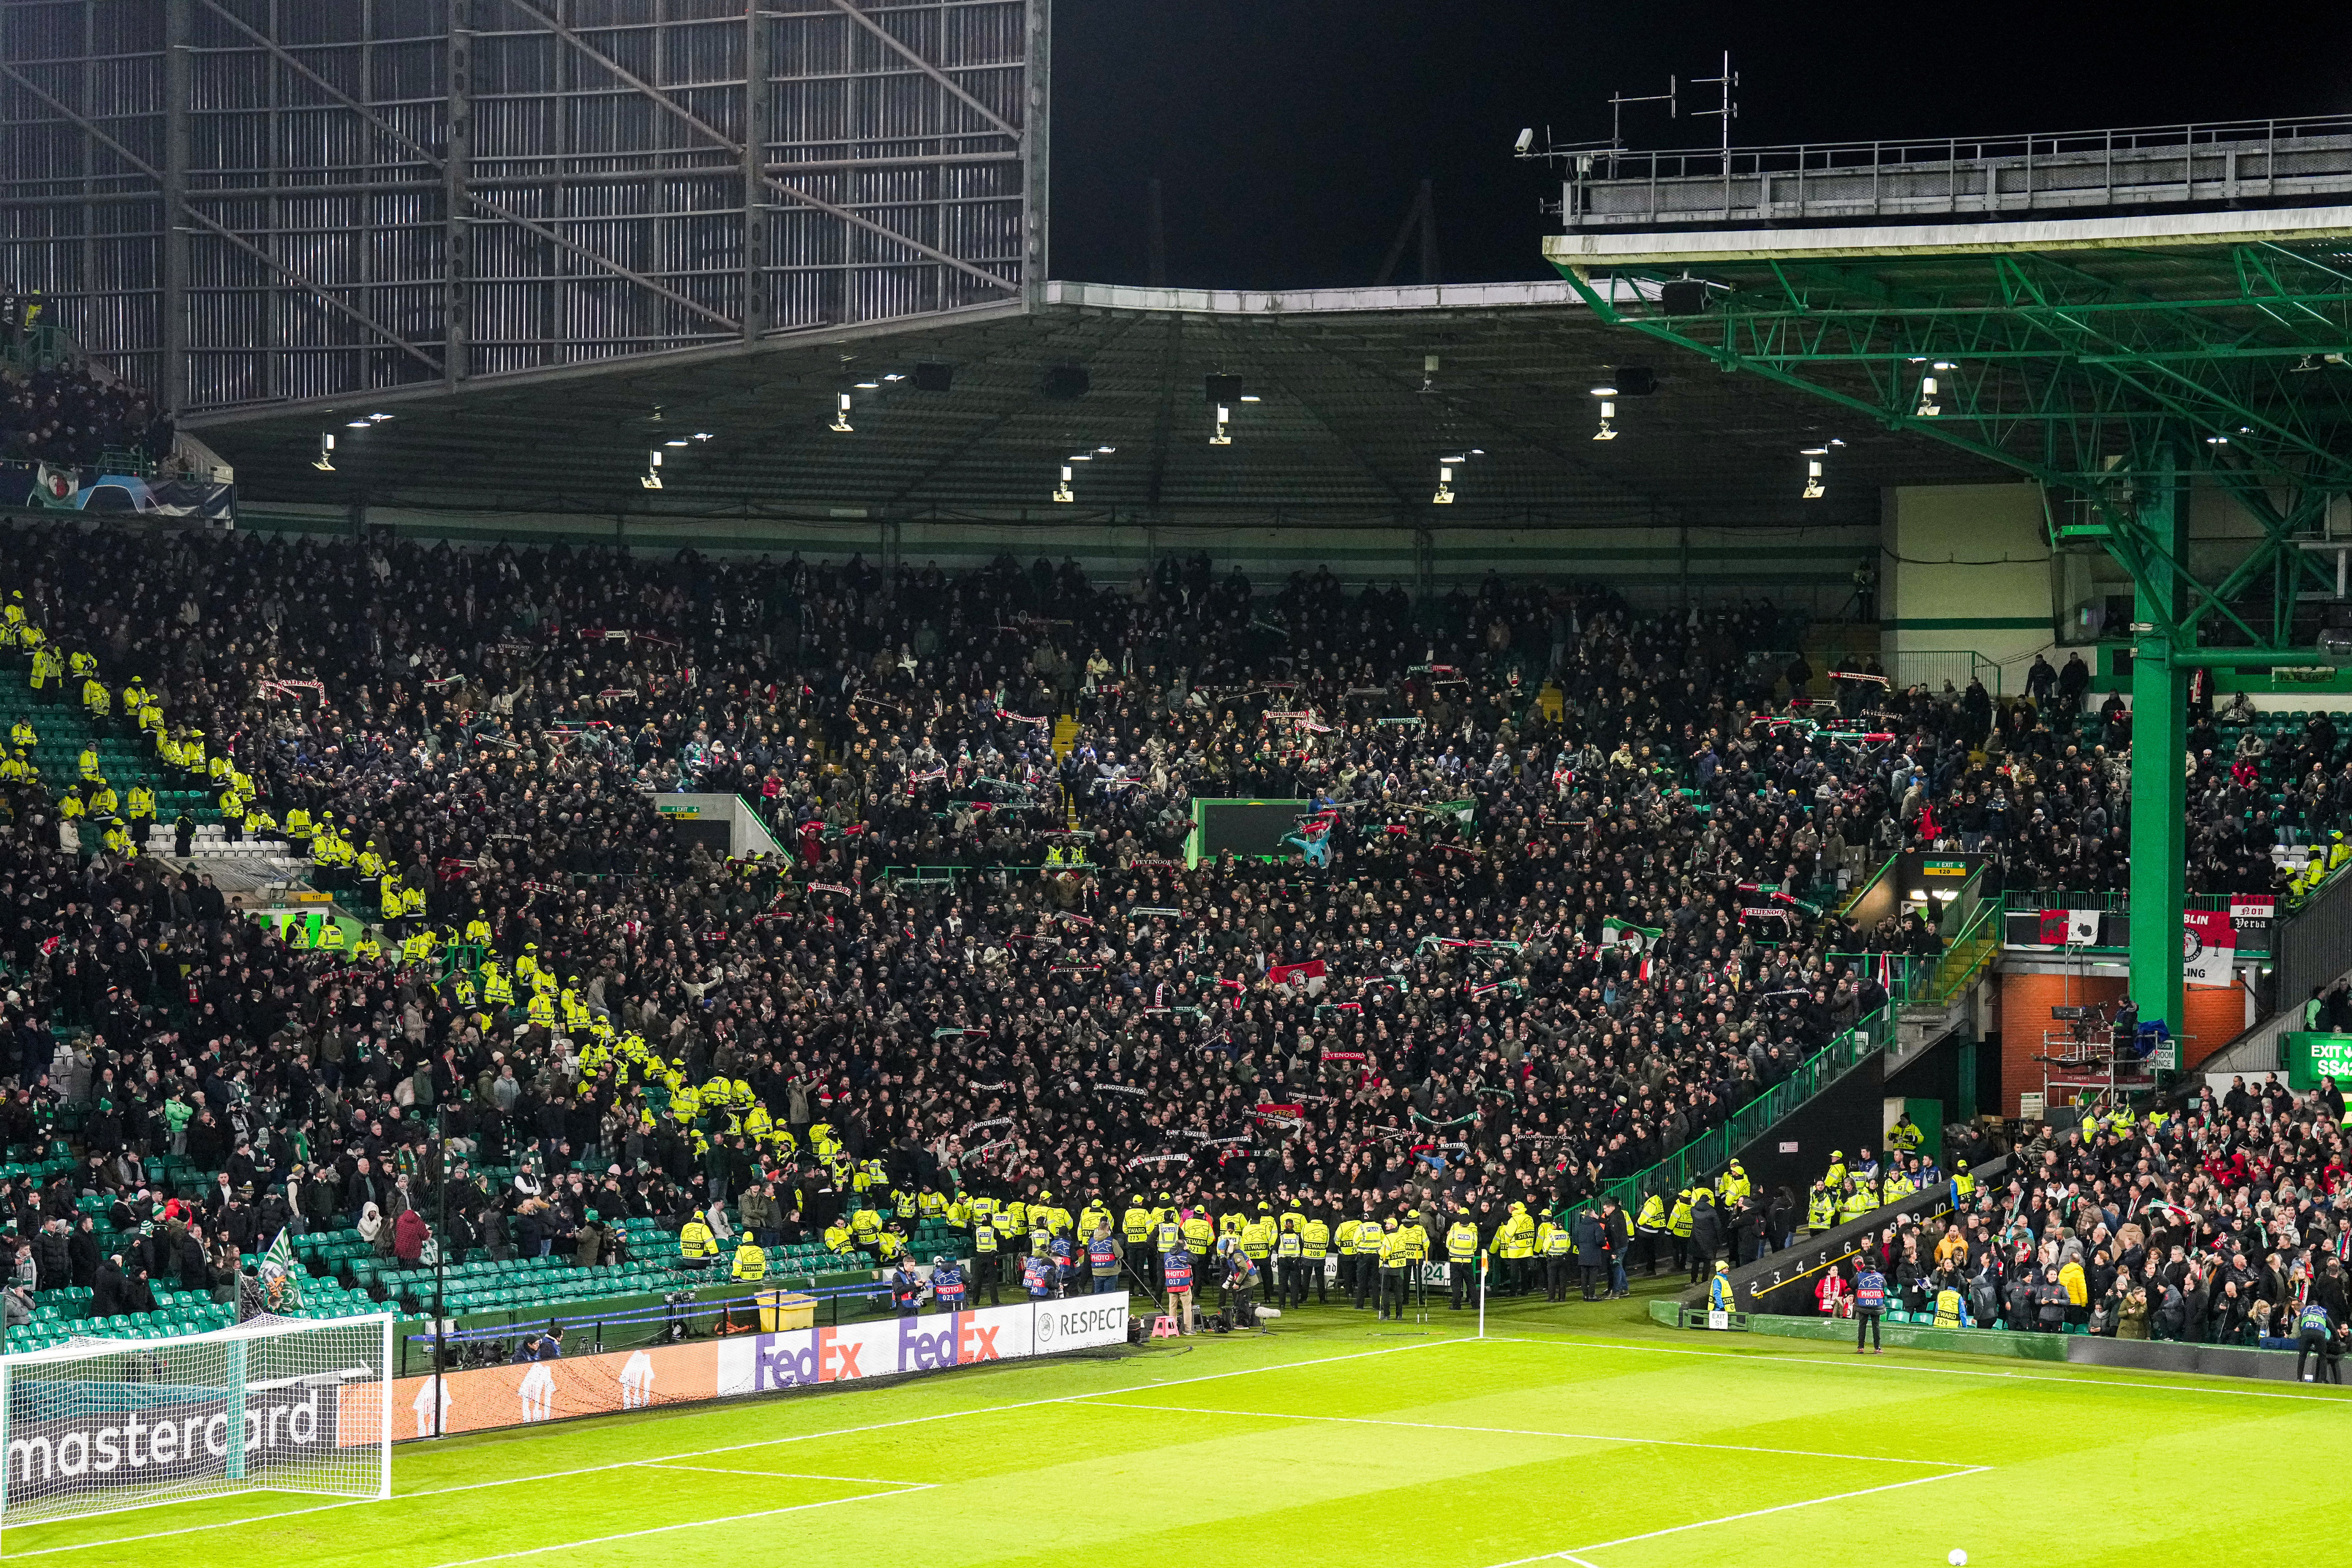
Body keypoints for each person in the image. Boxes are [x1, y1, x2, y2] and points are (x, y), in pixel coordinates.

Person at [1854, 1257, 1888, 1354]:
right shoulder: (1880, 1276)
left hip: (1863, 1304)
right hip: (1876, 1304)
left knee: (1862, 1325)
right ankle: (1877, 1348)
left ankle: (1861, 1347)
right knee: (1876, 1326)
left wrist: (1858, 1272)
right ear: (1874, 1264)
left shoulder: (1860, 1275)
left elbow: (1852, 1284)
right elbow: (1885, 1285)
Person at [1164, 1244, 1197, 1335]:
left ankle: (1172, 1329)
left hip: (1171, 1285)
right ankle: (1188, 1329)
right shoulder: (1185, 1255)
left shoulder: (1167, 1255)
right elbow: (1195, 1260)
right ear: (1184, 1246)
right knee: (1187, 1307)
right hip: (1183, 1286)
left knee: (1172, 1308)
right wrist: (1188, 1251)